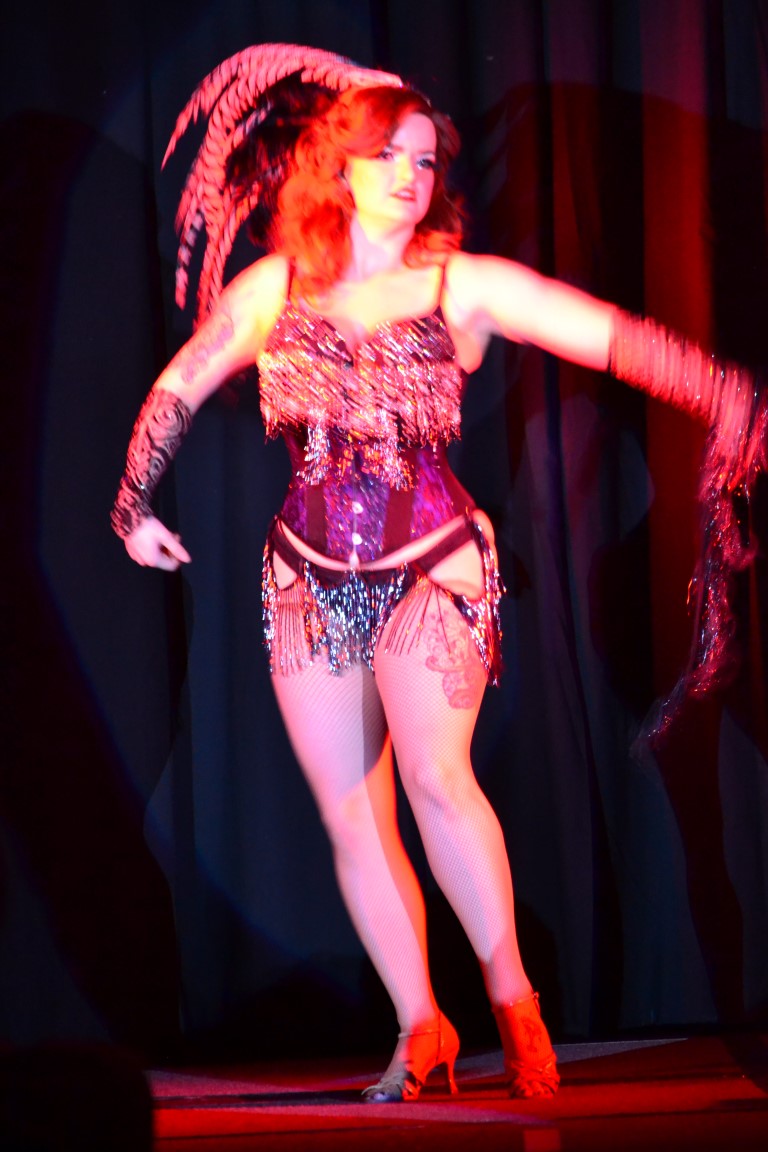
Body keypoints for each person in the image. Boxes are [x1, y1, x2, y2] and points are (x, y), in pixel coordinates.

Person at [111, 46, 767, 1102]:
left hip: (434, 564)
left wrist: (724, 394)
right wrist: (133, 504)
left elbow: (609, 337)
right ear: (340, 167)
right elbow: (180, 383)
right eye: (391, 156)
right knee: (350, 811)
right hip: (305, 574)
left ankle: (514, 1002)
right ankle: (421, 1025)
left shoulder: (465, 284)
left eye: (426, 160)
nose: (412, 177)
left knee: (437, 781)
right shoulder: (274, 288)